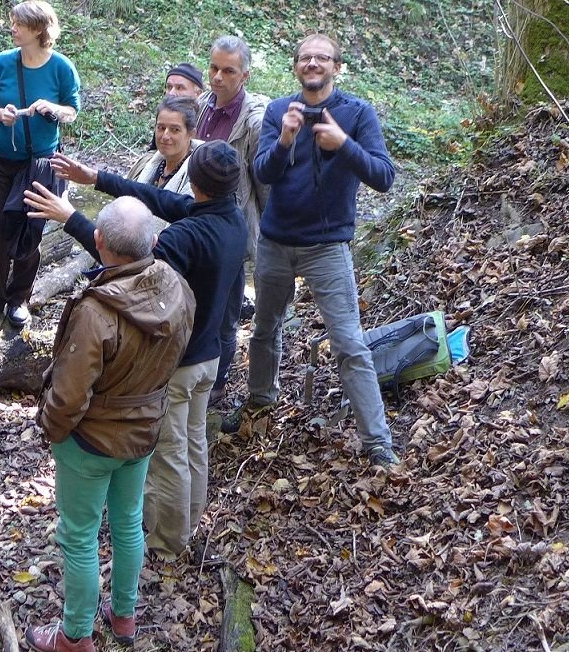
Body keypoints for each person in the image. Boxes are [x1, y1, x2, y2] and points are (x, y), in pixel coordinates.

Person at [27, 141, 246, 559]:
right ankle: (188, 521)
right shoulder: (231, 217)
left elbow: (128, 261)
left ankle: (168, 542)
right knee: (194, 441)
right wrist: (97, 179)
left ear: (195, 180)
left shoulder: (188, 235)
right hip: (210, 355)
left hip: (180, 366)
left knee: (170, 454)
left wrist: (72, 218)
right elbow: (164, 200)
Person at [23, 197, 194, 652]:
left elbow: (70, 394)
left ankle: (76, 635)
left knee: (79, 535)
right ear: (154, 242)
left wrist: (53, 430)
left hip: (91, 441)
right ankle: (124, 615)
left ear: (98, 242)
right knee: (127, 523)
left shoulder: (95, 311)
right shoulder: (177, 288)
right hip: (142, 433)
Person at [227, 33, 400, 467]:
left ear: (336, 67)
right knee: (265, 329)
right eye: (305, 58)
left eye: (321, 58)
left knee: (348, 343)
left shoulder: (357, 113)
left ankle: (377, 441)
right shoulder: (277, 111)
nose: (312, 64)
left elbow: (384, 176)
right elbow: (262, 172)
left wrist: (343, 144)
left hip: (328, 248)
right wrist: (285, 139)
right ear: (296, 67)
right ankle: (261, 402)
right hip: (276, 241)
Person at [0, 0, 80, 328]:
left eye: (19, 24)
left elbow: (72, 112)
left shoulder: (61, 67)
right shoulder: (2, 63)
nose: (12, 28)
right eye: (13, 22)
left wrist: (52, 107)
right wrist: (0, 114)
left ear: (39, 30)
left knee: (29, 230)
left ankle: (18, 298)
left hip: (39, 164)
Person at [196, 36, 269, 400]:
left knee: (224, 311)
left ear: (245, 76)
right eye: (213, 68)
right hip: (192, 224)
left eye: (228, 71)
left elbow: (265, 182)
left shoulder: (254, 121)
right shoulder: (199, 107)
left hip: (231, 230)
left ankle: (217, 383)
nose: (218, 78)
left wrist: (265, 231)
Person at [126, 97, 202, 198]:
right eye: (161, 128)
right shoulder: (146, 164)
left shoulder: (197, 177)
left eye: (175, 130)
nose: (165, 136)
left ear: (191, 133)